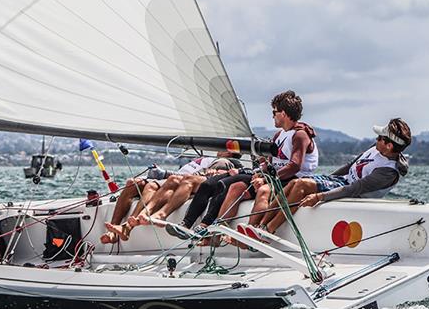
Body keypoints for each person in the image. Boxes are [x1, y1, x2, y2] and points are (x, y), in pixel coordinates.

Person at [257, 118, 412, 235]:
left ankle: (269, 230)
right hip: (341, 182)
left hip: (352, 194)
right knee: (295, 183)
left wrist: (319, 196)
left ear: (389, 146)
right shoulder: (377, 148)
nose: (376, 139)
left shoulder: (388, 172)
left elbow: (354, 189)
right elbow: (351, 165)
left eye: (379, 138)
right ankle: (261, 224)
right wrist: (323, 180)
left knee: (302, 185)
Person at [211, 90, 318, 234]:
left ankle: (250, 233)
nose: (272, 116)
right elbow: (269, 163)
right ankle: (218, 232)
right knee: (236, 187)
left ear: (283, 114)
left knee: (263, 190)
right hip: (277, 177)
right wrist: (259, 173)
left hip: (294, 179)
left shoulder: (300, 135)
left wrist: (267, 179)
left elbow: (294, 166)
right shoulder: (279, 135)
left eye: (274, 112)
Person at [104, 151, 241, 241]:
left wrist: (164, 173)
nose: (226, 150)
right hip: (175, 179)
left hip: (178, 182)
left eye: (231, 150)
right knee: (132, 183)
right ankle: (114, 229)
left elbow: (207, 179)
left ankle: (127, 226)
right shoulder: (205, 159)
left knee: (153, 185)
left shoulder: (223, 162)